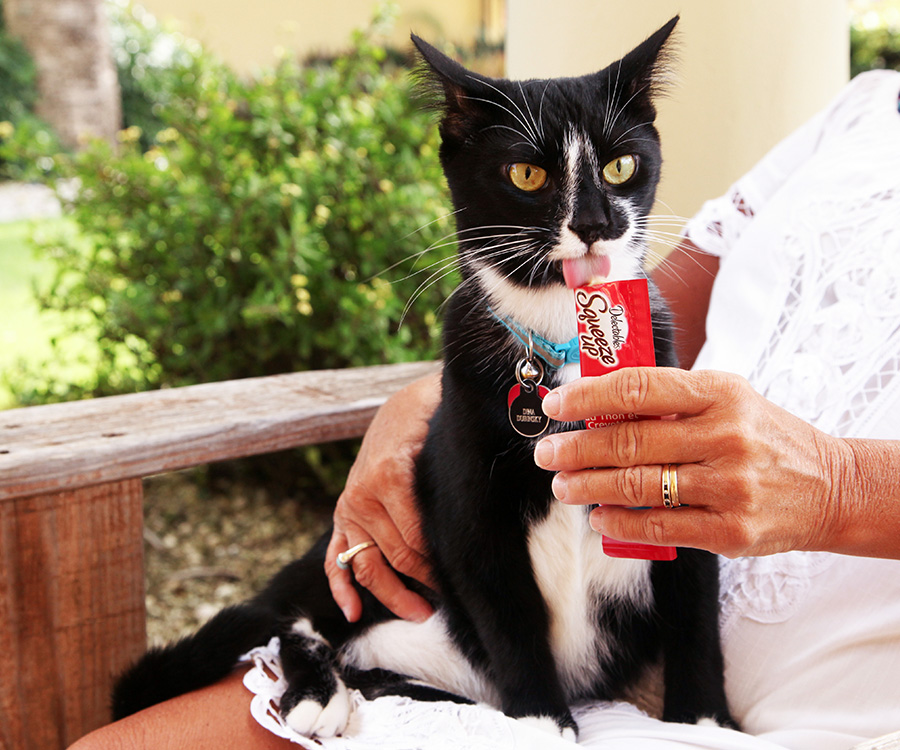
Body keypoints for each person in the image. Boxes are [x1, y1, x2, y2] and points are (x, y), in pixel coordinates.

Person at [70, 70, 900, 750]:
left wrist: (837, 486)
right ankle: (308, 646)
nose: (588, 217)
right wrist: (439, 395)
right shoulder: (859, 109)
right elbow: (627, 303)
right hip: (498, 655)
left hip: (773, 702)